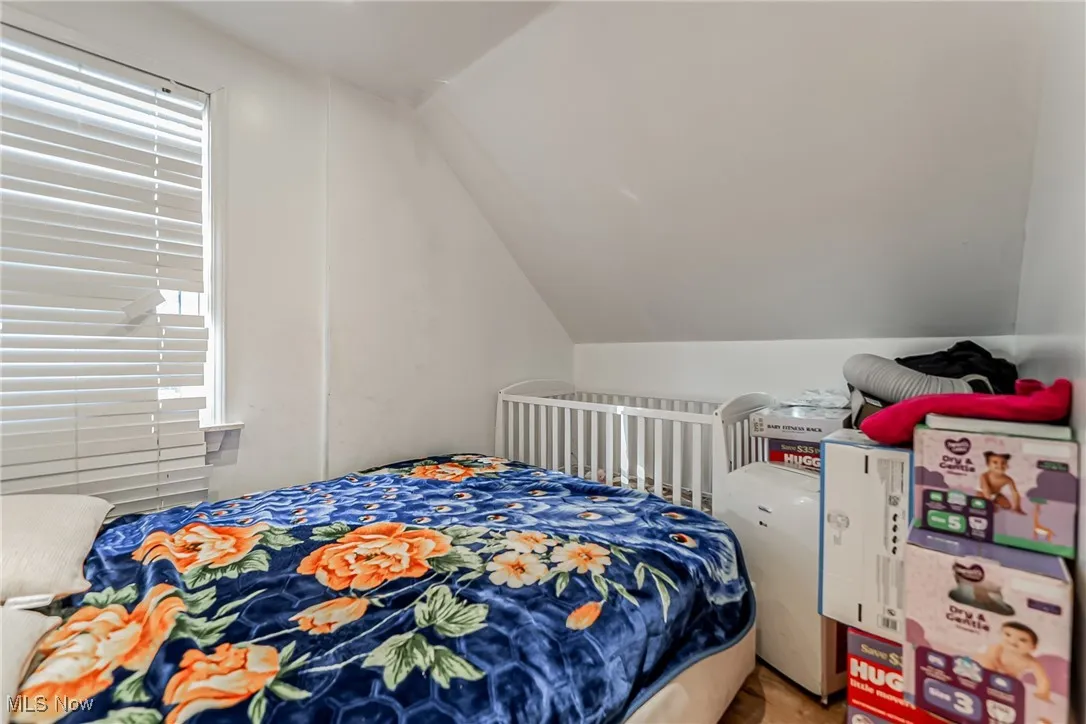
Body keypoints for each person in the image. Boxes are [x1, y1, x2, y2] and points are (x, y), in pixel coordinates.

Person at [977, 622, 1051, 701]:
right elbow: (988, 660)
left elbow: (1042, 679)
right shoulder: (997, 648)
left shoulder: (1031, 662)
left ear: (1033, 647)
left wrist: (1042, 693)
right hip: (993, 669)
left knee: (1010, 688)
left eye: (1022, 640)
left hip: (1010, 678)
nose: (1013, 641)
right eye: (1008, 635)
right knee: (983, 660)